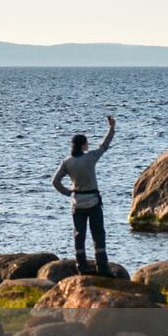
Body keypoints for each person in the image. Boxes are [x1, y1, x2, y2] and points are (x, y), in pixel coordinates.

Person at [51, 115, 116, 275]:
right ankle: (103, 268)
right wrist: (111, 128)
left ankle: (82, 268)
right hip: (93, 202)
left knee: (79, 236)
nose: (88, 145)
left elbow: (55, 181)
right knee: (98, 234)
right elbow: (104, 145)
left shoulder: (67, 162)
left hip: (77, 203)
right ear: (82, 145)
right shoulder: (90, 157)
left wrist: (69, 193)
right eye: (86, 142)